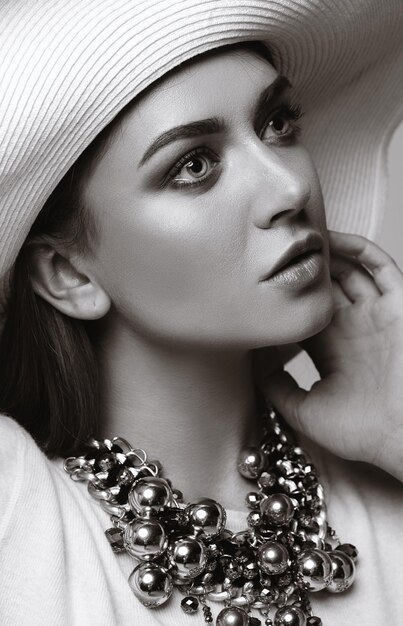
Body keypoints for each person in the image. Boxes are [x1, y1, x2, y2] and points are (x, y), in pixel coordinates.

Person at [1, 1, 403, 625]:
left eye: (278, 123)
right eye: (194, 165)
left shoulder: (383, 471)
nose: (289, 188)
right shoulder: (22, 515)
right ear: (70, 274)